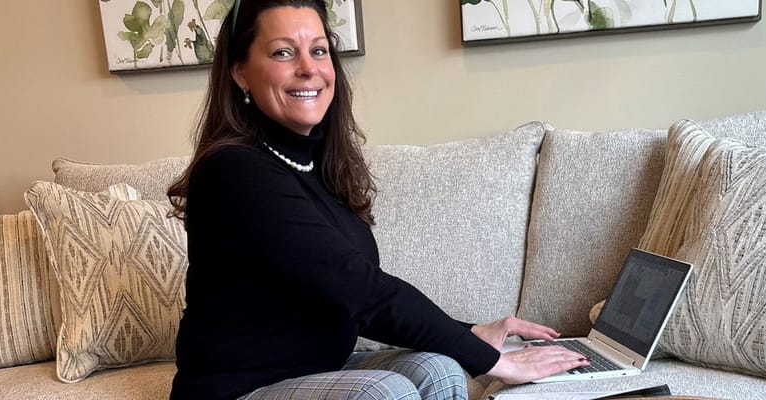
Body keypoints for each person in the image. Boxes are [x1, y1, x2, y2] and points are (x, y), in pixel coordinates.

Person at [166, 1, 589, 399]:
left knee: (438, 367)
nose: (308, 69)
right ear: (240, 72)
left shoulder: (321, 167)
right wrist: (495, 361)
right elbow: (361, 290)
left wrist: (470, 333)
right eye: (282, 53)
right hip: (237, 388)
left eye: (318, 50)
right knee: (383, 393)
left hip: (316, 369)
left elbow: (345, 296)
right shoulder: (234, 171)